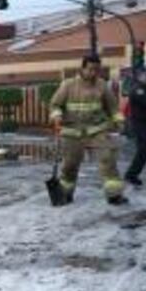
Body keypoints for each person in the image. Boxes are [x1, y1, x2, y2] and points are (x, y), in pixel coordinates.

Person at [49, 54, 127, 205]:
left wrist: (119, 121)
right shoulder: (68, 85)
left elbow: (113, 107)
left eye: (97, 70)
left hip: (97, 130)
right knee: (69, 166)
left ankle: (114, 195)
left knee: (108, 160)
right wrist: (57, 115)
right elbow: (55, 104)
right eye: (90, 69)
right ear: (82, 68)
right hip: (72, 133)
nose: (94, 73)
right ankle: (65, 194)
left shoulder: (102, 85)